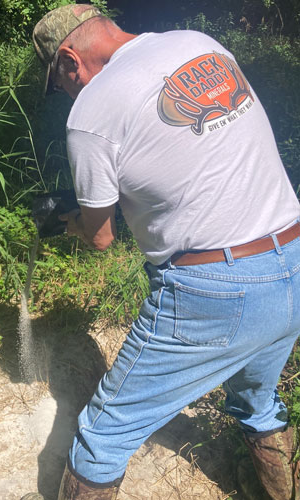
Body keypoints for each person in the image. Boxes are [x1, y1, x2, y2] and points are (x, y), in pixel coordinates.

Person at [25, 4, 300, 499]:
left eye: (60, 83)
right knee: (258, 402)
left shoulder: (90, 113)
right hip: (293, 260)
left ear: (70, 60)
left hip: (216, 291)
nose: (67, 92)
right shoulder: (197, 44)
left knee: (104, 435)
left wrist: (68, 223)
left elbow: (102, 236)